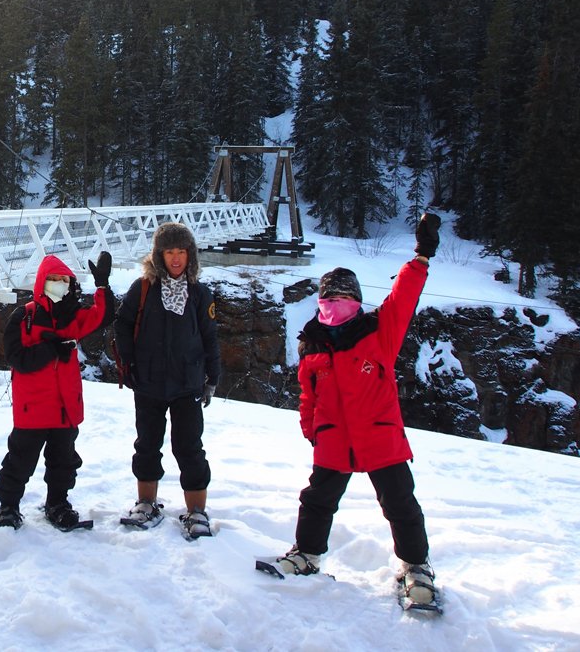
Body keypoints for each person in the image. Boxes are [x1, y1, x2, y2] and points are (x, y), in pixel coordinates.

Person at [264, 213, 442, 611]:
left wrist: (421, 257)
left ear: (357, 302)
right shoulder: (313, 343)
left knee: (399, 503)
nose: (335, 306)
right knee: (317, 499)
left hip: (380, 435)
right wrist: (312, 429)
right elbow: (308, 395)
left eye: (343, 299)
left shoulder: (379, 333)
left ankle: (416, 566)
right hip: (333, 436)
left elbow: (403, 297)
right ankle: (307, 555)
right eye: (328, 300)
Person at [0, 250, 115, 530]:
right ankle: (8, 507)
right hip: (33, 407)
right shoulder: (24, 316)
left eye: (64, 279)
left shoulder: (72, 315)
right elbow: (17, 358)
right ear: (42, 281)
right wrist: (51, 349)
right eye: (54, 279)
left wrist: (102, 286)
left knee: (64, 461)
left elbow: (102, 316)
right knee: (19, 461)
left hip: (65, 406)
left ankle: (57, 504)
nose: (60, 284)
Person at [114, 222, 220, 538]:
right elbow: (122, 325)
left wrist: (212, 377)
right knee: (147, 444)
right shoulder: (143, 288)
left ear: (191, 255)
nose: (176, 258)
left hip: (188, 383)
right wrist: (128, 363)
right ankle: (146, 503)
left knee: (189, 447)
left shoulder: (199, 293)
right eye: (169, 252)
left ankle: (197, 510)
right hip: (148, 382)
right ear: (159, 255)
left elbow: (210, 337)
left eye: (182, 252)